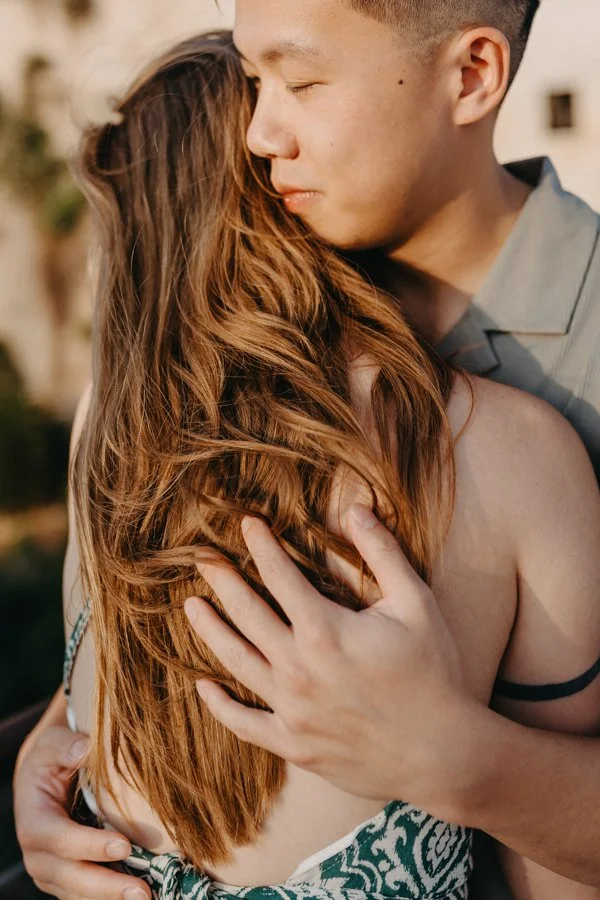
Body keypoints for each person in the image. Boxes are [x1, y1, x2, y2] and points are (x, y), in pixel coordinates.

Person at [12, 0, 600, 897]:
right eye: (251, 81)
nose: (253, 132)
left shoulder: (542, 414)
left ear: (472, 75)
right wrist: (61, 753)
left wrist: (460, 759)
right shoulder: (248, 324)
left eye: (302, 80)